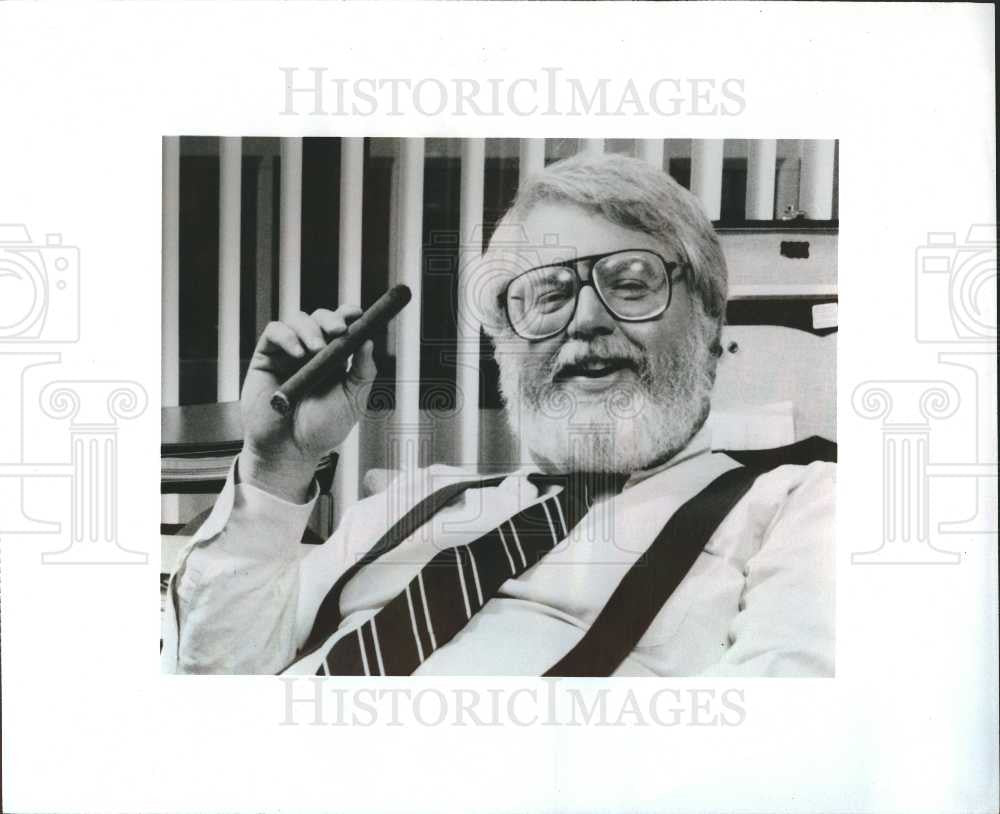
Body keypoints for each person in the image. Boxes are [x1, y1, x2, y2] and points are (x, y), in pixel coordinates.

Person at [162, 153, 834, 676]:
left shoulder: (801, 502)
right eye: (548, 295)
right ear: (506, 345)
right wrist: (277, 465)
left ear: (710, 320)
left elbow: (779, 733)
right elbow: (216, 673)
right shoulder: (416, 499)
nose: (588, 319)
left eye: (632, 284)